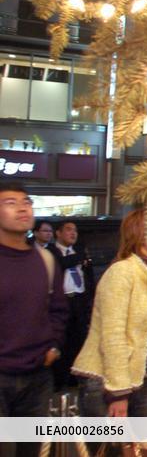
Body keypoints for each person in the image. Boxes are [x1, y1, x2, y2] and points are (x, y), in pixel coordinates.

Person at [73, 209, 147, 421]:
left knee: (141, 450)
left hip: (145, 380)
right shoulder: (121, 271)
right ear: (138, 233)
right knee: (109, 450)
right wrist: (118, 393)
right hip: (108, 381)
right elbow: (113, 335)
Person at [0, 181, 67, 442]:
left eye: (26, 202)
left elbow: (59, 310)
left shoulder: (45, 260)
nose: (22, 209)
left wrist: (54, 347)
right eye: (10, 203)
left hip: (38, 374)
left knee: (33, 448)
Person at [46, 220, 94, 390]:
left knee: (79, 339)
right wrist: (80, 257)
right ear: (58, 233)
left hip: (79, 300)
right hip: (62, 301)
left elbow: (89, 277)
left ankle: (76, 377)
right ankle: (59, 380)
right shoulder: (50, 252)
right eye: (68, 230)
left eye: (75, 230)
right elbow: (61, 264)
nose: (73, 233)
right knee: (61, 341)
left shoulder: (79, 250)